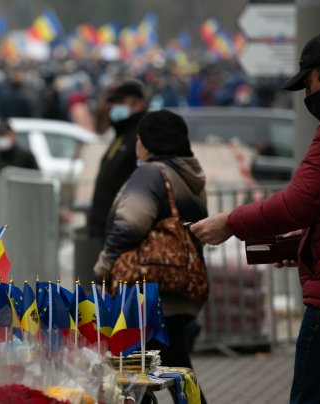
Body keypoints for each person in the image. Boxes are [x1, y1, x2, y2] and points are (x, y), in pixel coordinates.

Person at [190, 31, 320, 403]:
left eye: (310, 84)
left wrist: (231, 221)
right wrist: (304, 246)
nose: (309, 98)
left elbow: (301, 202)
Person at [93, 110, 208, 404]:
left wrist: (103, 268)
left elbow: (129, 226)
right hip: (180, 288)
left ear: (147, 142)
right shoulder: (190, 175)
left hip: (148, 294)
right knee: (175, 373)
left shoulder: (150, 173)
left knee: (136, 374)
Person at [87, 81, 147, 240]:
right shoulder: (122, 134)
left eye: (121, 102)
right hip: (110, 229)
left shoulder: (141, 136)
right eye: (114, 103)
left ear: (138, 104)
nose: (115, 107)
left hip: (124, 230)